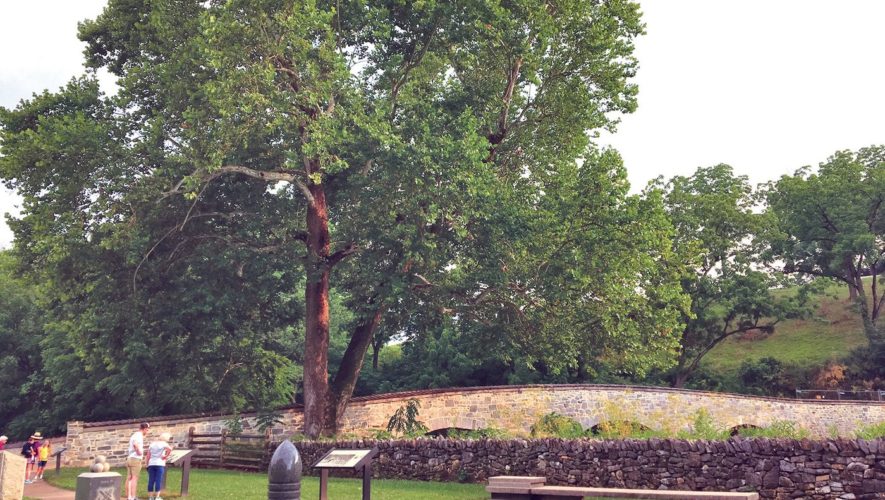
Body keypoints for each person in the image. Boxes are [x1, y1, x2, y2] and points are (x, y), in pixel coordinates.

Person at [145, 432, 173, 500]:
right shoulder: (164, 443)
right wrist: (166, 456)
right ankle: (157, 497)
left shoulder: (152, 444)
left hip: (151, 463)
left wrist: (147, 464)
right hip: (160, 463)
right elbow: (170, 449)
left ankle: (150, 497)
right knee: (158, 480)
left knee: (151, 480)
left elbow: (148, 455)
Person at [126, 422, 150, 500]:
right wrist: (139, 452)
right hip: (135, 459)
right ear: (145, 429)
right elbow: (135, 444)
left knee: (129, 478)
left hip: (130, 458)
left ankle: (129, 497)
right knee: (134, 478)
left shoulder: (134, 435)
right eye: (147, 430)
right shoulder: (139, 435)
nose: (147, 432)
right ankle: (133, 497)